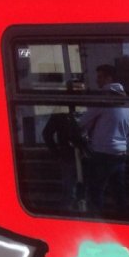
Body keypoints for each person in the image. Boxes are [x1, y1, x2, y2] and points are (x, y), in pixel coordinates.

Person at [78, 64, 129, 214]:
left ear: (110, 78)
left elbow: (82, 122)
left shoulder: (103, 97)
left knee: (95, 193)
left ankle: (97, 223)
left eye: (100, 77)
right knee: (119, 194)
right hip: (121, 153)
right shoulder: (127, 99)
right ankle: (124, 221)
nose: (97, 80)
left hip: (103, 153)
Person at [42, 80, 86, 210]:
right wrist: (57, 154)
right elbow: (47, 133)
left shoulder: (85, 106)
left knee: (84, 191)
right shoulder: (61, 109)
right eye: (78, 89)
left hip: (84, 155)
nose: (81, 92)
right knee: (69, 191)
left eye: (82, 89)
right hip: (69, 155)